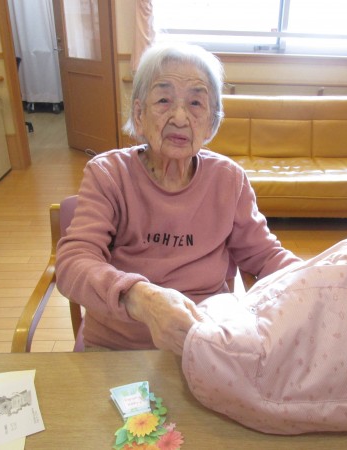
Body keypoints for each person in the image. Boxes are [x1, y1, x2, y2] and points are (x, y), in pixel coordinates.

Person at [55, 43, 301, 355]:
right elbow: (73, 262)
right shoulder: (108, 174)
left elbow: (264, 255)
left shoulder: (228, 179)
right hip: (119, 347)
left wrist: (314, 277)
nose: (180, 117)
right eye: (164, 100)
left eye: (196, 103)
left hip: (205, 345)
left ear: (211, 123)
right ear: (139, 114)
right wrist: (141, 298)